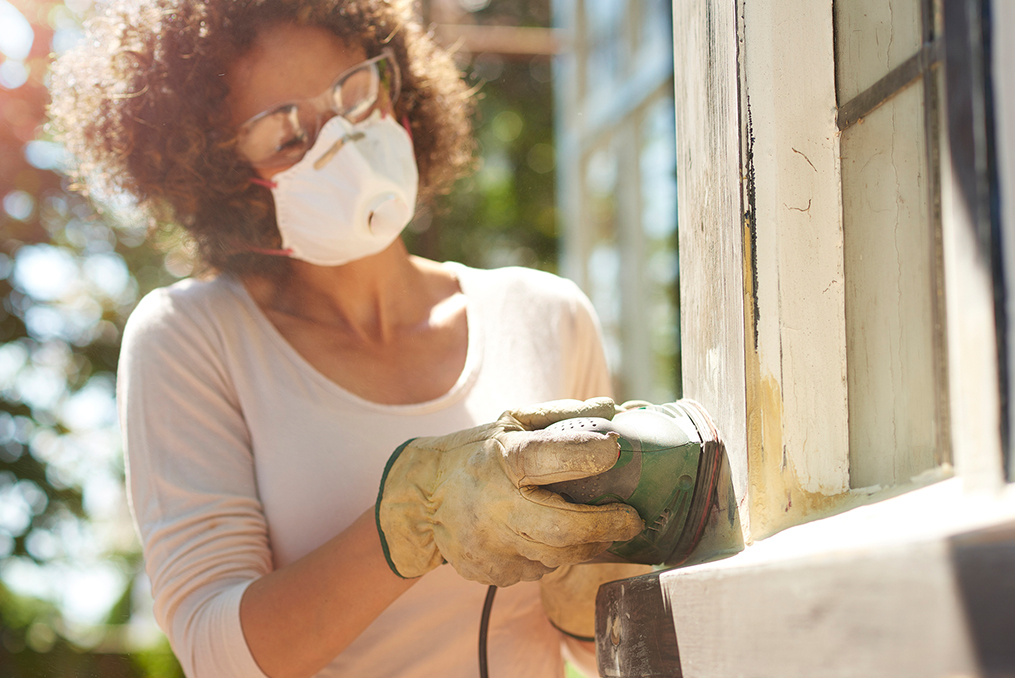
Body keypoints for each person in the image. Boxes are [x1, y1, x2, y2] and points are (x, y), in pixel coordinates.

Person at [48, 1, 646, 677]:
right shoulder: (190, 338)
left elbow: (606, 647)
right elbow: (215, 654)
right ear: (223, 184)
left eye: (354, 94)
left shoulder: (548, 313)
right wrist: (409, 521)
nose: (344, 141)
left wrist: (588, 591)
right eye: (287, 137)